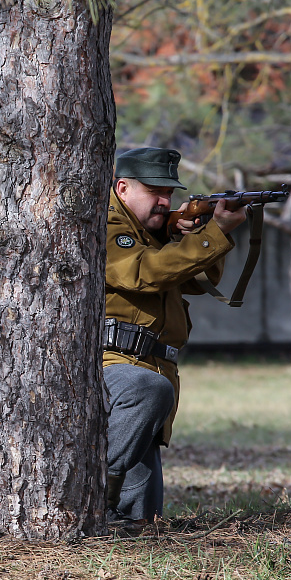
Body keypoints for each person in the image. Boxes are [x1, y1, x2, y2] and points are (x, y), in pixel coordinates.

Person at [103, 147, 248, 525]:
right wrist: (212, 234)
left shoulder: (152, 233)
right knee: (148, 389)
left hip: (149, 372)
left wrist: (198, 234)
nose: (165, 201)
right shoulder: (107, 225)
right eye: (154, 191)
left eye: (169, 193)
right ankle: (93, 494)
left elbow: (198, 282)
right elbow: (141, 273)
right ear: (122, 188)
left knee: (143, 523)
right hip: (114, 370)